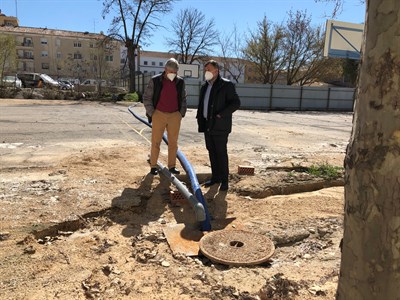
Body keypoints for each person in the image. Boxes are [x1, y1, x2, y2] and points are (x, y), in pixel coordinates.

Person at [196, 60, 241, 191]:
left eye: (209, 69)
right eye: (205, 70)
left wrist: (221, 114)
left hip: (220, 126)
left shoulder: (226, 85)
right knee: (211, 151)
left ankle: (224, 181)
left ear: (217, 71)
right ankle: (215, 178)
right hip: (207, 125)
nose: (206, 72)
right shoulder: (205, 87)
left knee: (221, 153)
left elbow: (236, 103)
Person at [143, 58, 187, 176]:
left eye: (175, 72)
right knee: (156, 141)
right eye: (170, 71)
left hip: (174, 115)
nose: (172, 74)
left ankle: (172, 166)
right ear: (165, 69)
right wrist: (152, 113)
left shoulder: (180, 82)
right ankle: (153, 166)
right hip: (159, 114)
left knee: (173, 142)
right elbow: (147, 98)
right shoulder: (155, 81)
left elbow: (183, 98)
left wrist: (181, 113)